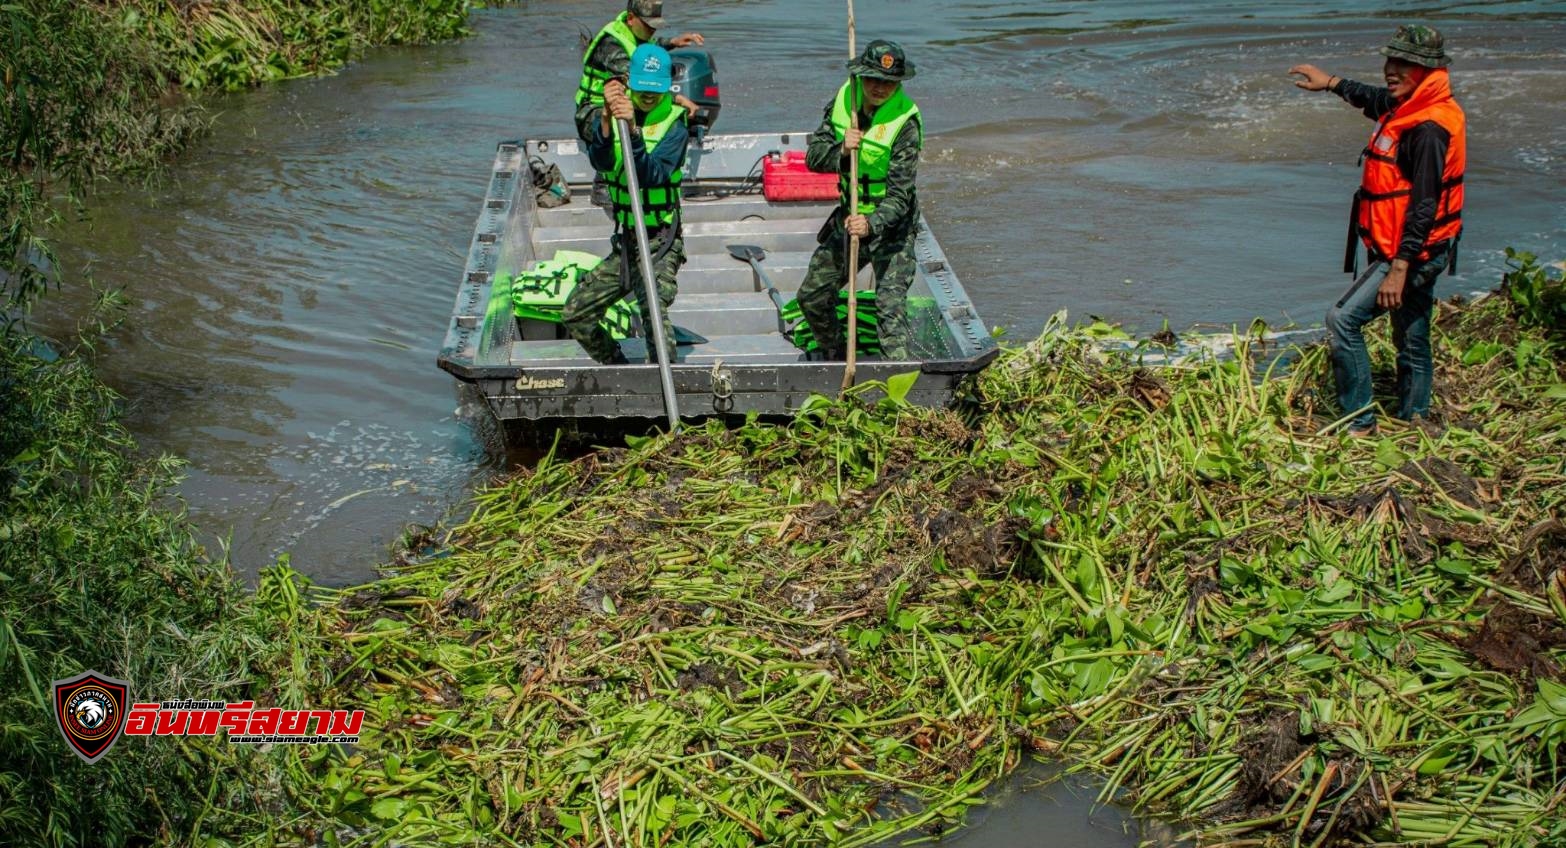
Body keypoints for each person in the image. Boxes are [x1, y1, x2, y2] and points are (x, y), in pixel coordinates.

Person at [1290, 25, 1466, 436]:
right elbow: (1374, 100)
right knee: (1412, 332)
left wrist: (1399, 268)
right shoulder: (1412, 105)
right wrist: (1331, 82)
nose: (1392, 69)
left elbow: (1425, 204)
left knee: (1342, 320)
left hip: (1412, 251)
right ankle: (1415, 419)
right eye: (1391, 60)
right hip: (1425, 246)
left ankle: (1359, 423)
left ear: (1426, 69)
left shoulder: (1427, 129)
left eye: (1404, 63)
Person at [795, 40, 923, 361]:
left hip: (890, 227)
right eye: (873, 79)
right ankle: (837, 358)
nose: (880, 88)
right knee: (812, 296)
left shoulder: (905, 123)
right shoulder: (843, 101)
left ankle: (900, 384)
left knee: (888, 309)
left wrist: (870, 223)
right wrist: (841, 148)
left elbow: (900, 196)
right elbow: (813, 158)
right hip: (849, 217)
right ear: (861, 76)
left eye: (888, 82)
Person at [562, 44, 689, 365]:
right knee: (576, 313)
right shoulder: (616, 108)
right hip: (628, 242)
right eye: (642, 89)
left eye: (655, 90)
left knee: (654, 318)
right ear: (630, 81)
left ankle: (666, 381)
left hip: (660, 240)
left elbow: (653, 175)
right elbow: (602, 163)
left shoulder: (675, 123)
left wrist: (632, 130)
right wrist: (606, 121)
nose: (647, 96)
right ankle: (618, 369)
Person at [574, 0, 704, 144]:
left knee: (667, 115)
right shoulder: (612, 44)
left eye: (655, 26)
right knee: (656, 105)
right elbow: (642, 81)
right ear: (630, 19)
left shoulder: (637, 34)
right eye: (648, 26)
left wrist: (673, 42)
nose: (652, 30)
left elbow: (650, 45)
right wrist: (677, 98)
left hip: (628, 104)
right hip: (593, 113)